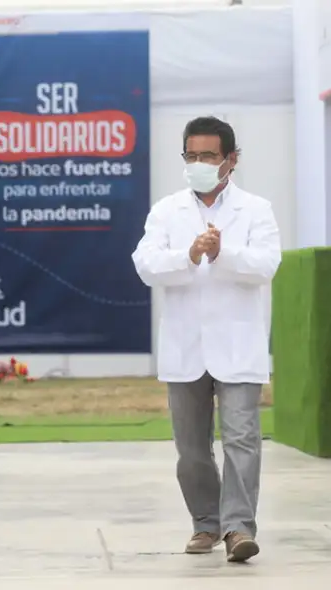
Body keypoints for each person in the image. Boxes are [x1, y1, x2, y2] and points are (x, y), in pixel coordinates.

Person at [131, 116, 281, 563]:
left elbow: (266, 264)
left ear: (231, 159)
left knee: (241, 439)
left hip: (237, 345)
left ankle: (238, 528)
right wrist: (189, 254)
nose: (198, 164)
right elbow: (145, 264)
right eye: (191, 156)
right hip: (185, 345)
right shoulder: (166, 210)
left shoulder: (256, 209)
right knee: (192, 450)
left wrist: (223, 253)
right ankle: (206, 523)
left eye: (208, 156)